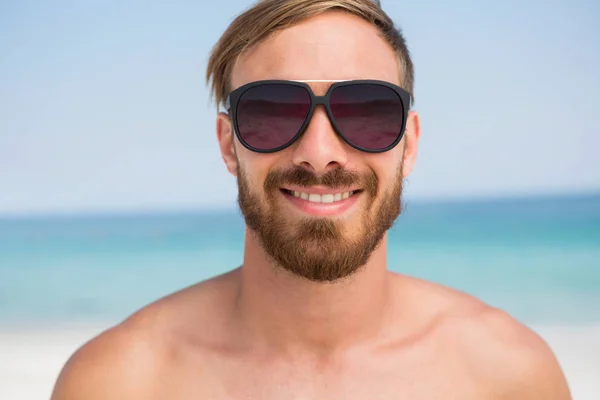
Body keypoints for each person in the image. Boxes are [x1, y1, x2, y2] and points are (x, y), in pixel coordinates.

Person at [51, 0, 572, 398]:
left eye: (367, 109)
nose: (319, 154)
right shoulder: (119, 382)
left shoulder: (508, 375)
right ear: (228, 146)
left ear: (408, 145)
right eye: (272, 111)